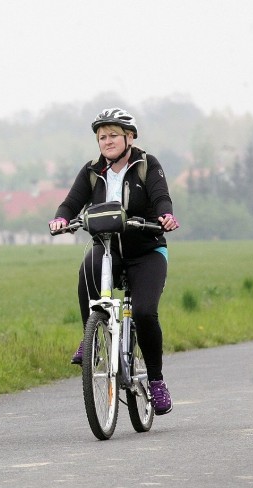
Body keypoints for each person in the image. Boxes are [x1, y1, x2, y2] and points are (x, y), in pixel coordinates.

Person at [48, 108, 180, 415]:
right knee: (86, 271)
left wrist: (165, 215)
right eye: (101, 137)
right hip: (108, 249)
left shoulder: (147, 164)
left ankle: (157, 382)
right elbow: (71, 202)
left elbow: (161, 196)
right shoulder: (92, 171)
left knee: (145, 313)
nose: (107, 141)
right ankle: (90, 339)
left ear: (129, 137)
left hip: (147, 251)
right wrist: (61, 218)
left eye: (113, 136)